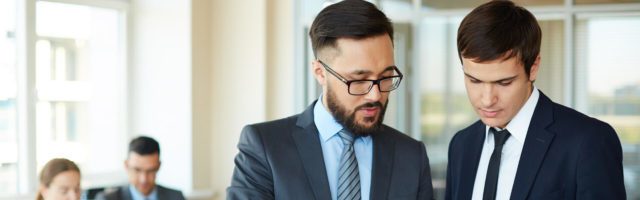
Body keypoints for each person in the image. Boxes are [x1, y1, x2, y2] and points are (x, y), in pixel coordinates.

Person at [227, 1, 434, 200]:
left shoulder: (411, 156)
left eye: (386, 77)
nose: (375, 95)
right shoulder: (265, 147)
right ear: (320, 73)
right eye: (359, 80)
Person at [445, 1, 626, 199]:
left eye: (504, 82)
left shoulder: (589, 142)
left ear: (534, 67)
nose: (487, 100)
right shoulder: (461, 145)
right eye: (475, 81)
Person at [96, 136, 185, 200]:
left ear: (158, 166)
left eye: (150, 171)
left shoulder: (176, 197)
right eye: (137, 170)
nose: (144, 179)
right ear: (126, 165)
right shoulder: (107, 198)